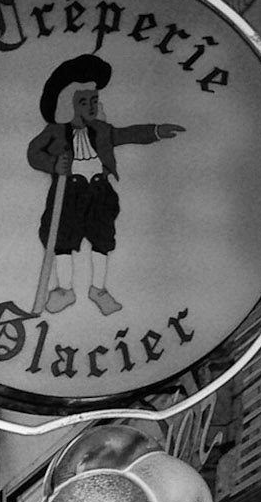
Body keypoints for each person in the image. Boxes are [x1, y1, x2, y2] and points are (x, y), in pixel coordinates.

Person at [26, 54, 183, 318]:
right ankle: (64, 290)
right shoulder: (54, 131)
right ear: (68, 103)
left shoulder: (101, 130)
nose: (90, 106)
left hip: (99, 193)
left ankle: (98, 290)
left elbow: (127, 134)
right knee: (62, 241)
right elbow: (33, 153)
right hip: (68, 194)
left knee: (102, 239)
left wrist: (155, 131)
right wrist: (53, 165)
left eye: (94, 100)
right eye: (83, 101)